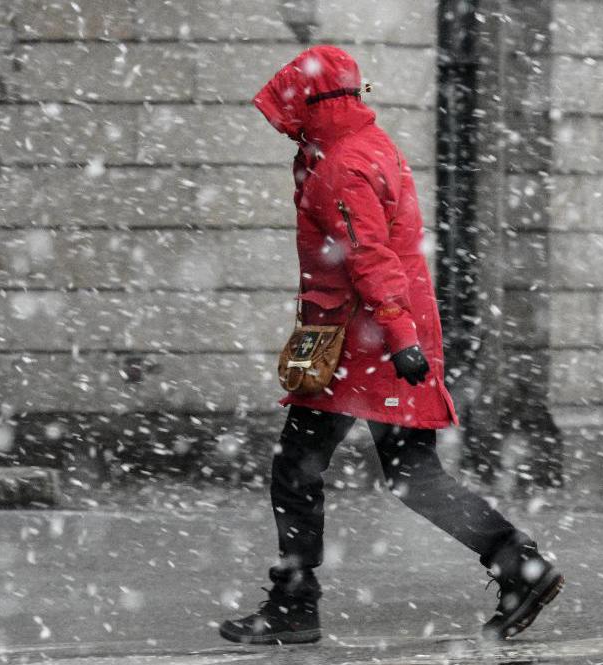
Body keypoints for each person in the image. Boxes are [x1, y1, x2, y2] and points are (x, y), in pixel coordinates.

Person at [217, 46, 564, 646]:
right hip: (386, 337)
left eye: (293, 111)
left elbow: (368, 258)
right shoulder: (371, 147)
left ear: (314, 105)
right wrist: (407, 337)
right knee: (414, 475)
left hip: (359, 346)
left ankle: (296, 602)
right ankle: (518, 564)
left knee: (296, 470)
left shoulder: (339, 169)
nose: (287, 124)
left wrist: (398, 338)